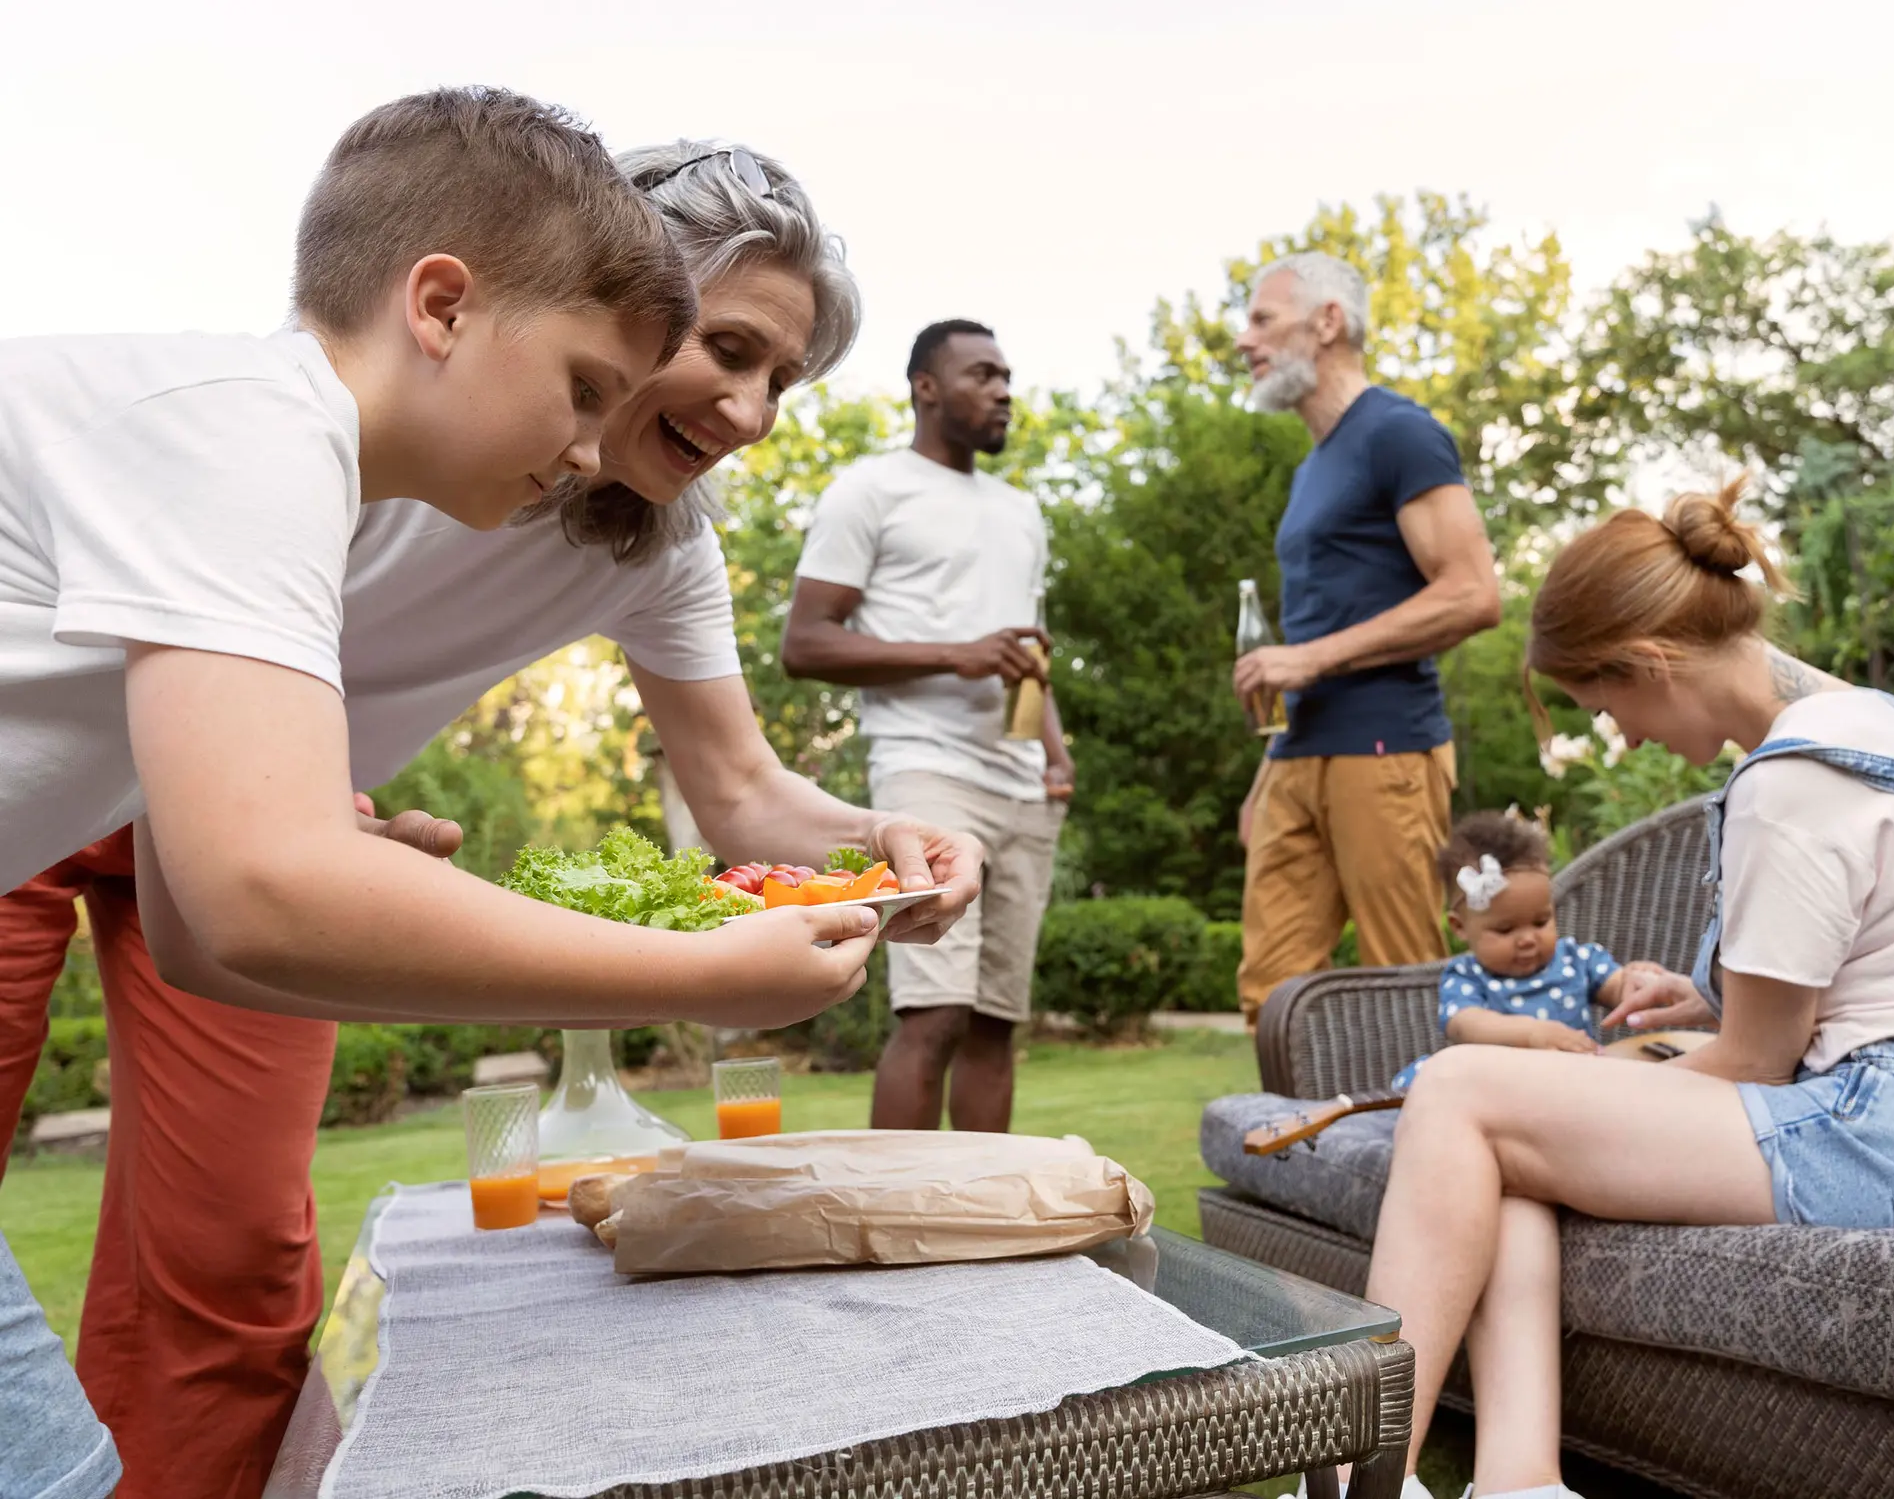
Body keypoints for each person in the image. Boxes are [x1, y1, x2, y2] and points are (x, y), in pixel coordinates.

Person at [0, 137, 987, 1499]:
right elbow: (255, 885)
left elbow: (743, 789)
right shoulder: (310, 432)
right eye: (729, 348)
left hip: (271, 806)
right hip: (186, 787)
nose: (754, 413)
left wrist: (873, 841)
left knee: (235, 1256)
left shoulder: (653, 536)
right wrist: (699, 972)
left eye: (787, 384)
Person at [1361, 480, 1894, 1499]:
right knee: (1503, 1147)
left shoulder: (1791, 783)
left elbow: (1758, 1061)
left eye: (1608, 707)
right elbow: (1886, 957)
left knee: (1456, 1089)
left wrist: (1623, 1073)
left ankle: (1354, 1474)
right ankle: (1518, 1481)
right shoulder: (1869, 721)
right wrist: (1696, 1007)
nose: (1628, 736)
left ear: (1651, 662)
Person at [782, 320, 1074, 1133]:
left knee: (994, 1024)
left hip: (1023, 786)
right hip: (927, 776)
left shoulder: (1021, 511)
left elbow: (1024, 651)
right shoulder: (869, 491)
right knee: (934, 1013)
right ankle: (896, 1231)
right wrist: (957, 656)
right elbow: (805, 644)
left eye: (1008, 375)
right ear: (926, 387)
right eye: (982, 373)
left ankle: (981, 1232)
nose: (1004, 389)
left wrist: (1056, 754)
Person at [1229, 252, 1502, 1026]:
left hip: (1385, 751)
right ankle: (1295, 1148)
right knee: (1272, 994)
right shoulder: (1313, 466)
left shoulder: (1400, 433)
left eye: (1261, 320)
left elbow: (1473, 594)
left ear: (1328, 322)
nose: (1243, 341)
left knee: (1405, 982)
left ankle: (1431, 1144)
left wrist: (1307, 659)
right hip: (1295, 758)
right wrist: (1265, 777)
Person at [1385, 812, 1640, 1090]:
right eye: (1506, 930)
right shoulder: (1468, 978)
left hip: (1575, 1085)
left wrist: (1633, 982)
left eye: (1541, 922)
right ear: (1460, 927)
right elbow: (1466, 1023)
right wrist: (1531, 1033)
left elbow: (1616, 988)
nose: (1528, 939)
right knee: (1436, 1081)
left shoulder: (1575, 960)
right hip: (1501, 1092)